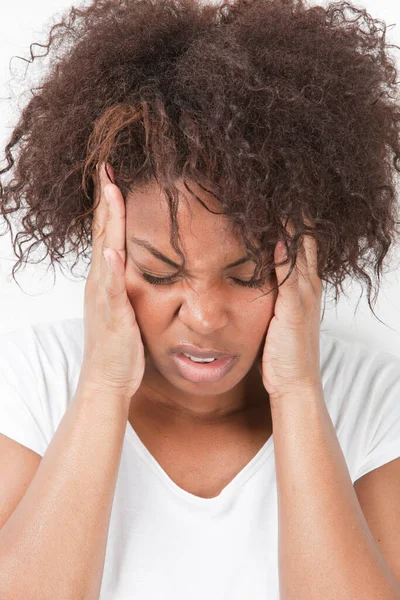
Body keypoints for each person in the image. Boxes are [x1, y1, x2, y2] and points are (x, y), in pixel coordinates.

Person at [0, 0, 400, 598]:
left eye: (246, 276)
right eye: (161, 274)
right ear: (104, 243)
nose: (206, 318)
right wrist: (104, 386)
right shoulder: (32, 381)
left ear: (309, 253)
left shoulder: (373, 402)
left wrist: (296, 390)